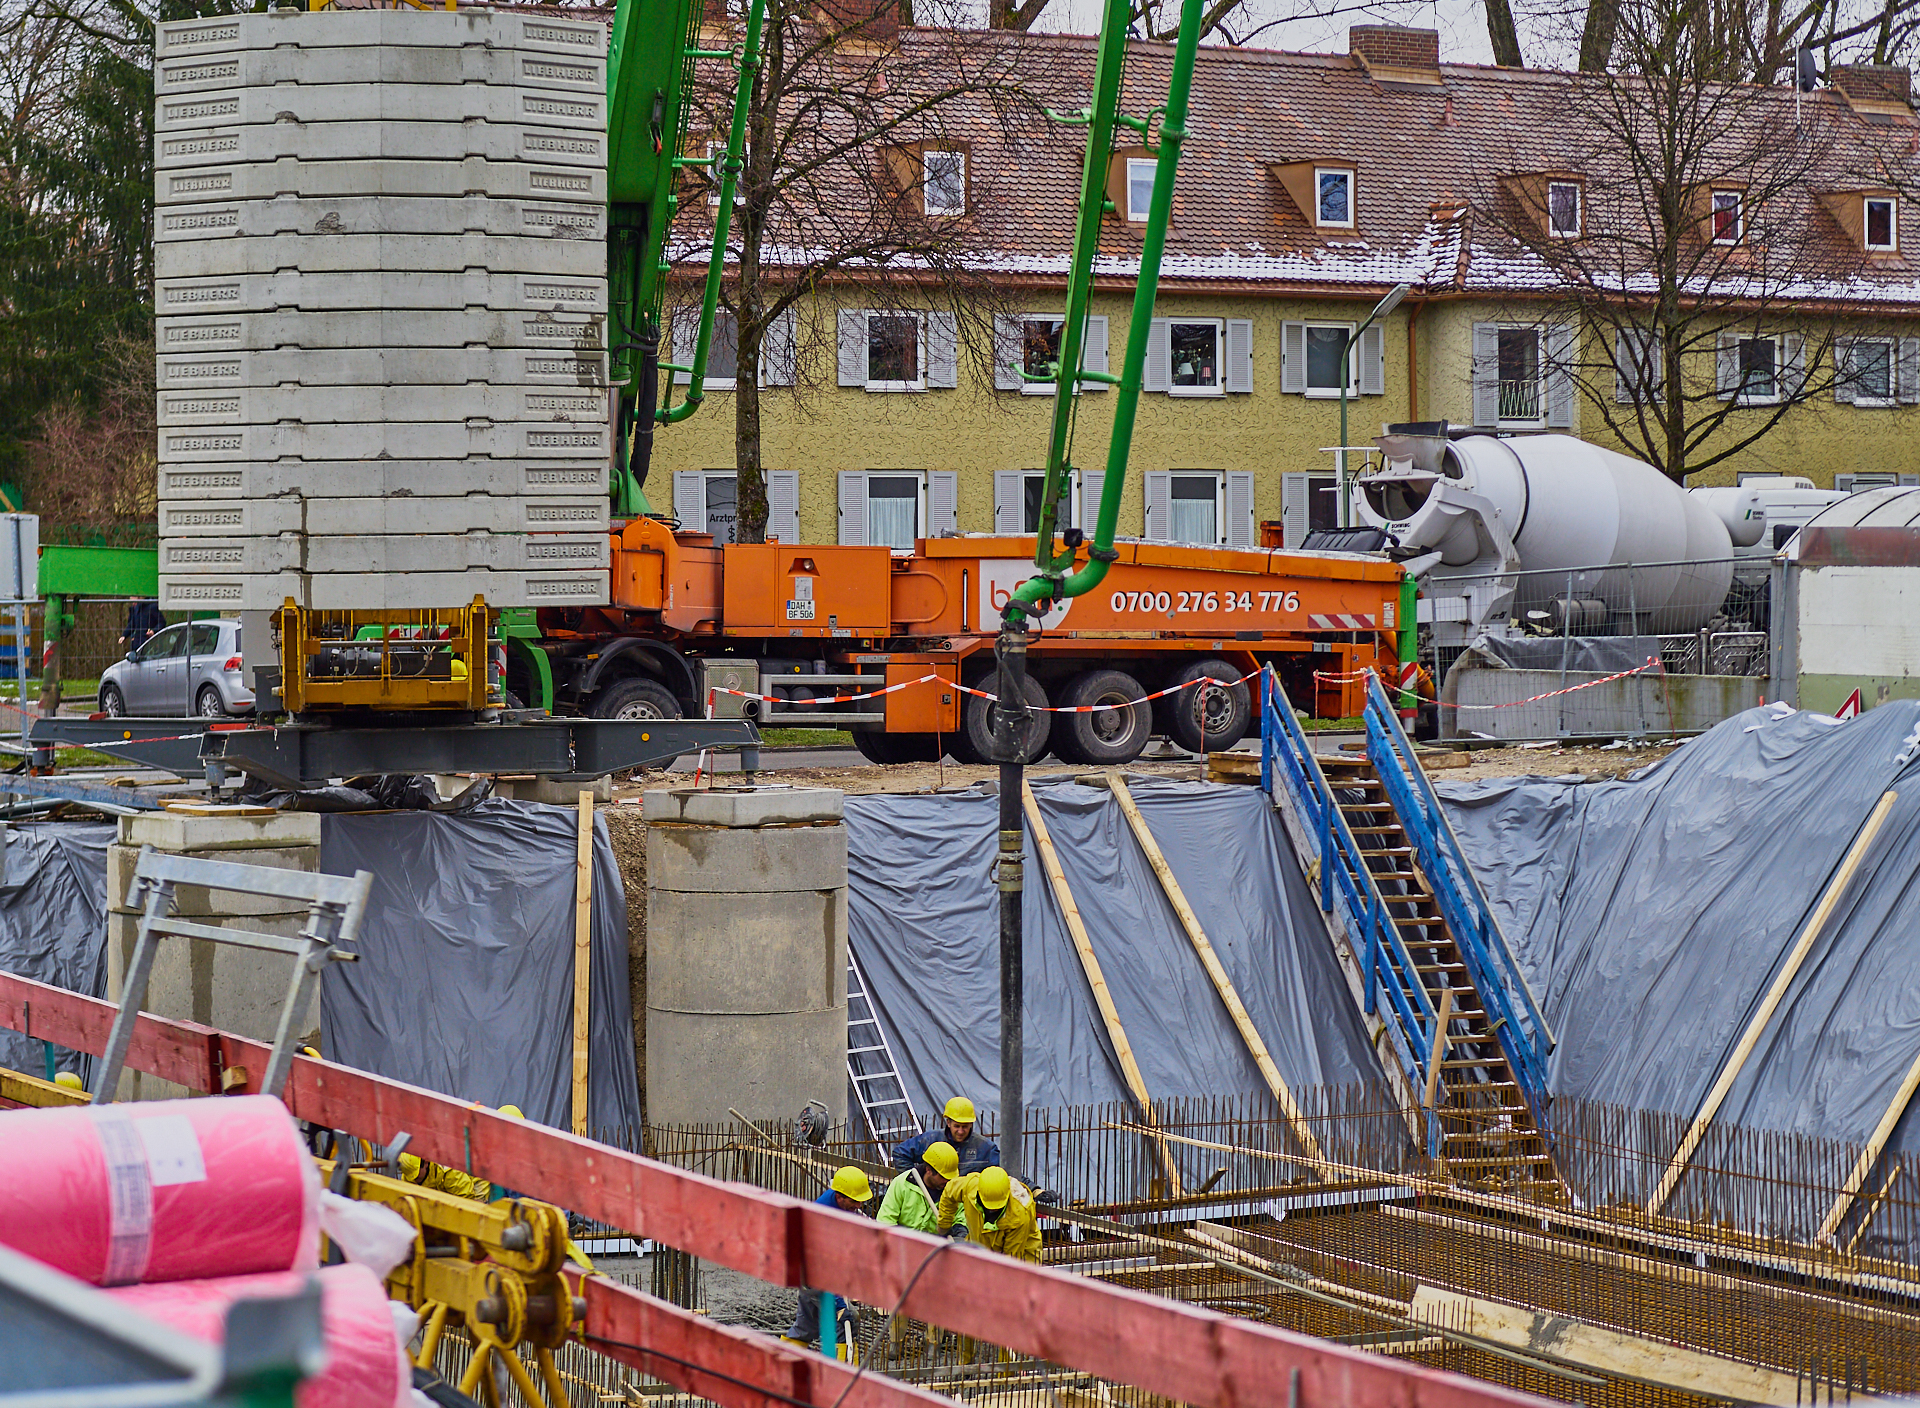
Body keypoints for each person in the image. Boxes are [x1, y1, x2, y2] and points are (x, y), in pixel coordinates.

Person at [782, 1166, 871, 1357]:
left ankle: (784, 1363)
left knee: (805, 1326)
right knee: (845, 1323)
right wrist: (839, 1305)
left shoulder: (839, 1203)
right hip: (815, 1275)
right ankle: (842, 1378)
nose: (858, 1207)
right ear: (839, 1196)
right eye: (854, 1202)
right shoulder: (822, 1219)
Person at [935, 1165, 1041, 1264]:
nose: (993, 1211)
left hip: (1022, 1257)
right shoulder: (970, 1186)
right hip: (979, 1248)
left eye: (997, 1208)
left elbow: (1011, 1259)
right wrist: (944, 1225)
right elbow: (949, 1193)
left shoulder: (1019, 1214)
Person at [892, 1097, 1000, 1176]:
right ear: (948, 1122)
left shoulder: (986, 1149)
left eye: (965, 1126)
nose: (961, 1131)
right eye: (957, 1126)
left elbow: (998, 1177)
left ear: (971, 1124)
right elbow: (900, 1153)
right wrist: (915, 1181)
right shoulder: (930, 1140)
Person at [876, 1140, 960, 1235]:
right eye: (943, 1177)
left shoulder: (955, 1191)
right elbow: (885, 1221)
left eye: (950, 1177)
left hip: (937, 1247)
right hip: (902, 1244)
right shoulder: (902, 1183)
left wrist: (959, 1236)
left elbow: (962, 1220)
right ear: (928, 1170)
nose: (947, 1181)